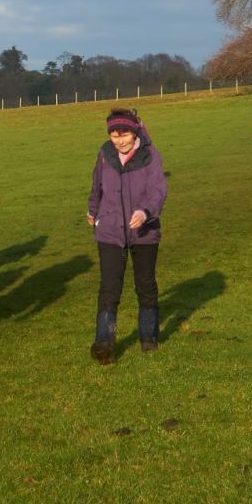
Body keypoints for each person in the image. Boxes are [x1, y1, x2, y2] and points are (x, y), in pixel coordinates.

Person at [88, 109, 167, 361]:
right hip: (110, 231)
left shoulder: (150, 155)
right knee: (109, 287)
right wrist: (93, 211)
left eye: (124, 134)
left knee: (145, 284)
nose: (119, 140)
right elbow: (96, 186)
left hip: (143, 231)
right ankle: (104, 342)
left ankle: (148, 337)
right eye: (114, 135)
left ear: (135, 132)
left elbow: (158, 190)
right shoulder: (104, 154)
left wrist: (145, 213)